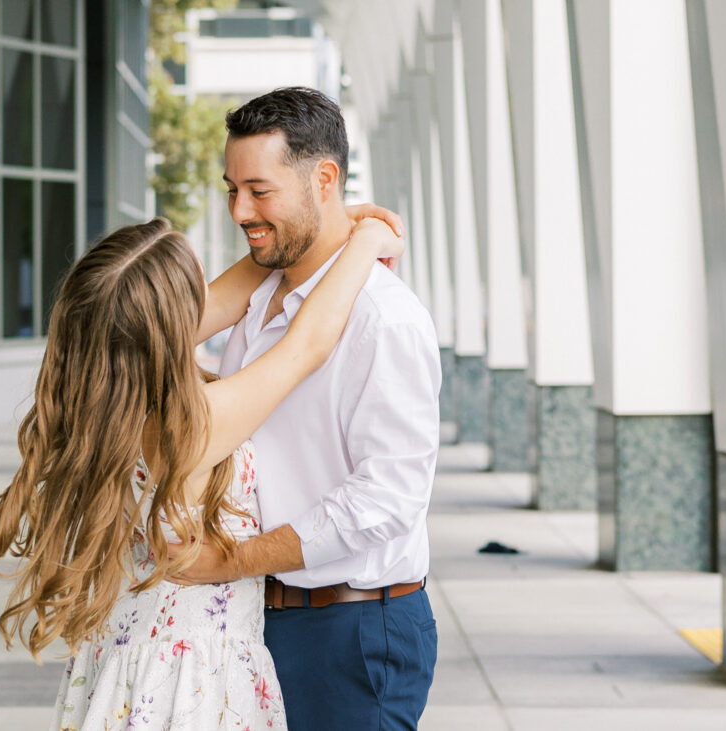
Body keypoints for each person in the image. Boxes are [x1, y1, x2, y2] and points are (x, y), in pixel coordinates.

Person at [0, 211, 403, 730]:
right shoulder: (193, 426)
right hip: (187, 686)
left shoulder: (107, 407)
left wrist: (324, 223)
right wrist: (365, 240)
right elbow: (307, 344)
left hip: (129, 667)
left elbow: (226, 295)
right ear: (173, 324)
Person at [169, 87, 441, 730]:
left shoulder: (384, 320)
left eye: (259, 190)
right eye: (232, 189)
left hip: (348, 631)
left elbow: (388, 498)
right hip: (253, 618)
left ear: (325, 179)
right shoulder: (258, 300)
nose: (240, 210)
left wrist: (233, 561)